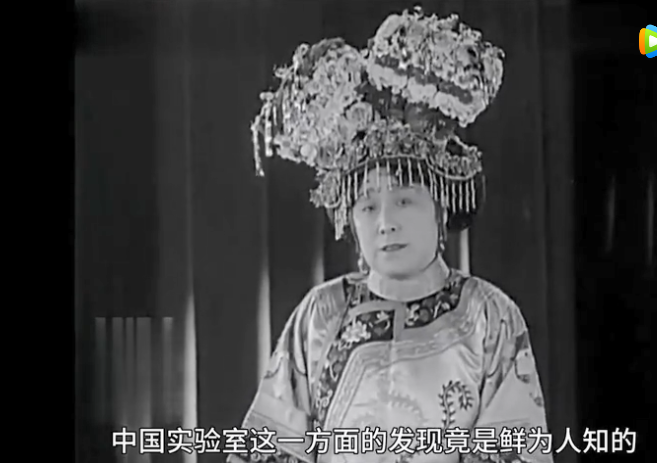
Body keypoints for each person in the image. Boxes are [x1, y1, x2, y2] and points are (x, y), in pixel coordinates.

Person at [229, 7, 553, 463]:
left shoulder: (487, 316)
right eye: (367, 206)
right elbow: (272, 447)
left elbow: (513, 448)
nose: (385, 222)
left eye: (404, 200)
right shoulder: (321, 314)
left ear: (440, 204)